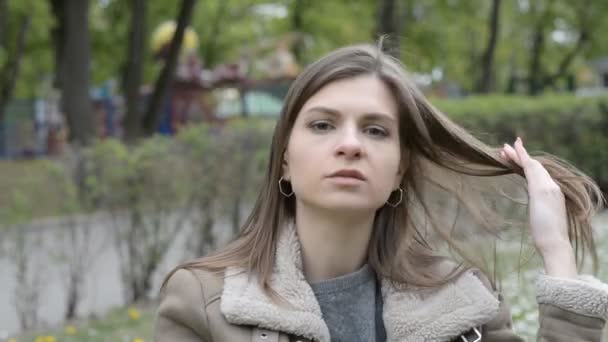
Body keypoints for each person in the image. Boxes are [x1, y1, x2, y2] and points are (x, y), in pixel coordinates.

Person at [154, 41, 608, 342]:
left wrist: (557, 253)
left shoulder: (464, 303)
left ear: (398, 171)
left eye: (375, 130)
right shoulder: (205, 303)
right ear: (286, 159)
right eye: (322, 125)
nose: (350, 144)